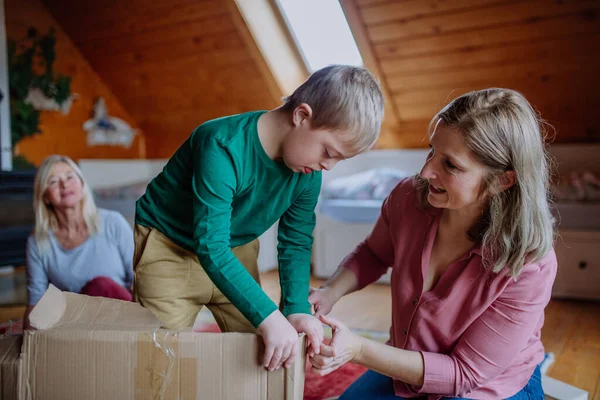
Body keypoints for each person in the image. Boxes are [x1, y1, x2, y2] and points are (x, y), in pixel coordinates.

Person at [132, 64, 385, 371]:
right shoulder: (220, 143)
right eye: (329, 153)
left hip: (234, 253)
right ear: (302, 116)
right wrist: (268, 316)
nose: (328, 167)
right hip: (169, 249)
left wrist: (294, 309)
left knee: (273, 350)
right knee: (157, 363)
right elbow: (211, 245)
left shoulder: (308, 172)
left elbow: (296, 242)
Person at [308, 88, 556, 399]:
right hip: (406, 362)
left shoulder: (530, 263)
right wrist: (331, 291)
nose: (426, 172)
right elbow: (374, 253)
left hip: (486, 386)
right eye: (431, 151)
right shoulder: (409, 197)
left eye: (450, 165)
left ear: (502, 180)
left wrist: (357, 349)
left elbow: (464, 373)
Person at [25, 155, 134, 328]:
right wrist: (28, 348)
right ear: (45, 196)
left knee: (101, 285)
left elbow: (140, 277)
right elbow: (36, 301)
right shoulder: (38, 242)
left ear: (82, 185)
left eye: (70, 177)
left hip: (123, 317)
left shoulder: (113, 222)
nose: (64, 184)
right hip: (77, 324)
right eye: (53, 181)